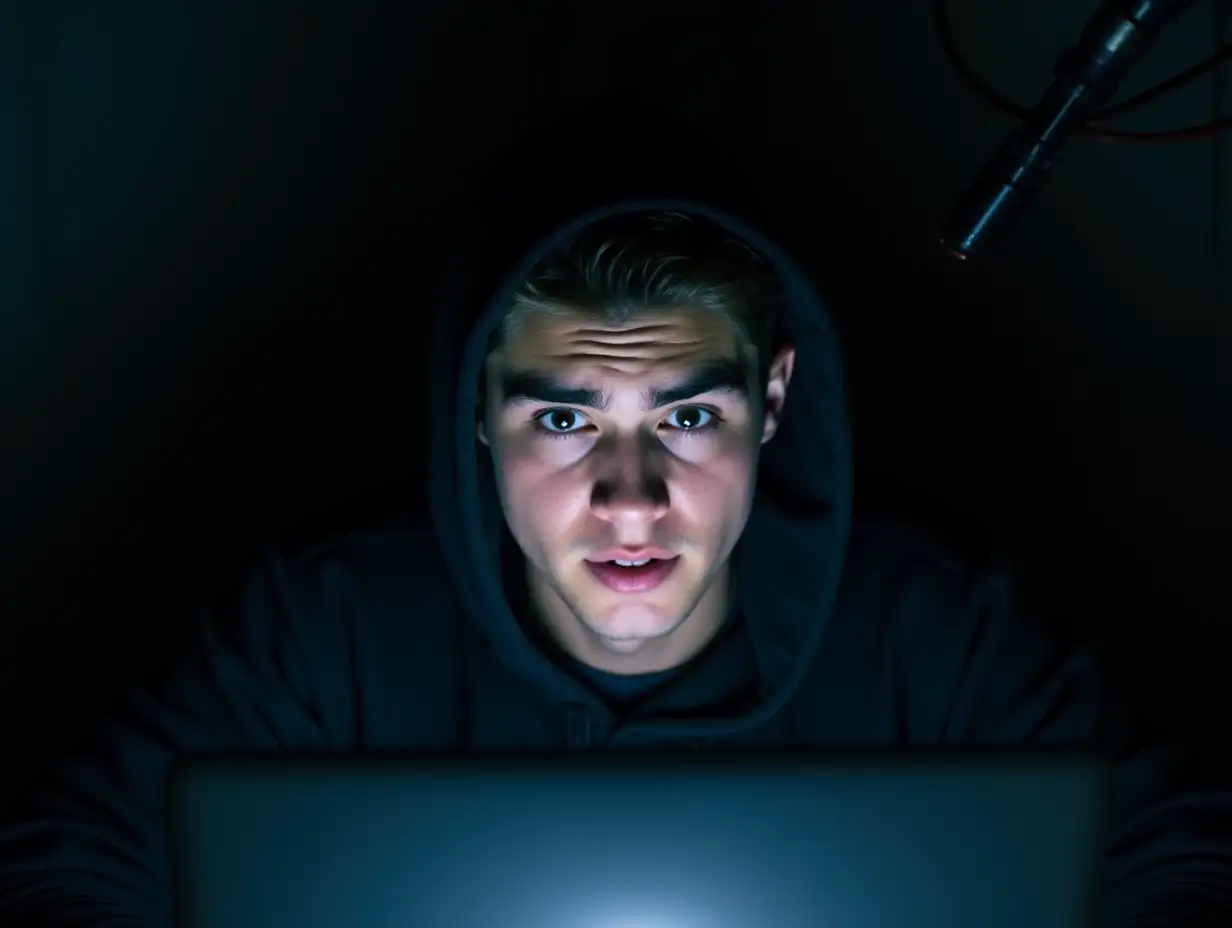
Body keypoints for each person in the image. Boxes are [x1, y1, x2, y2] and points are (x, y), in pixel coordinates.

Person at [1, 90, 1230, 927]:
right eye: (564, 417)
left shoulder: (933, 622)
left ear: (774, 397)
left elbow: (1181, 861)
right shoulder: (323, 623)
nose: (628, 502)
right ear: (475, 409)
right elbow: (65, 864)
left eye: (687, 419)